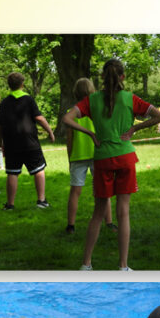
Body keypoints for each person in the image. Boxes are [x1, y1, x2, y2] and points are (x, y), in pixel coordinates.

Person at [62, 59, 160, 270]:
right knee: (123, 212)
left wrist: (90, 132)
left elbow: (67, 119)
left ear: (102, 77)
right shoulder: (131, 99)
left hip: (102, 159)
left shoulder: (91, 100)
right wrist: (134, 130)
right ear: (123, 77)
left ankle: (86, 264)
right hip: (126, 158)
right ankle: (123, 266)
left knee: (98, 213)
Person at [0, 72, 55, 210]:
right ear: (22, 84)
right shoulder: (28, 99)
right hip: (30, 143)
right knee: (39, 169)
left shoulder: (4, 103)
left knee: (12, 172)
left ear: (9, 85)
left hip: (11, 144)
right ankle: (41, 201)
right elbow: (39, 118)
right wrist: (50, 131)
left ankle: (10, 204)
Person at [65, 78, 114, 235]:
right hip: (98, 154)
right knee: (103, 191)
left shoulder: (71, 113)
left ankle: (71, 225)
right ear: (92, 90)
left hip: (78, 155)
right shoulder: (98, 109)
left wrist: (69, 157)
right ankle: (109, 222)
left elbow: (69, 139)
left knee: (75, 191)